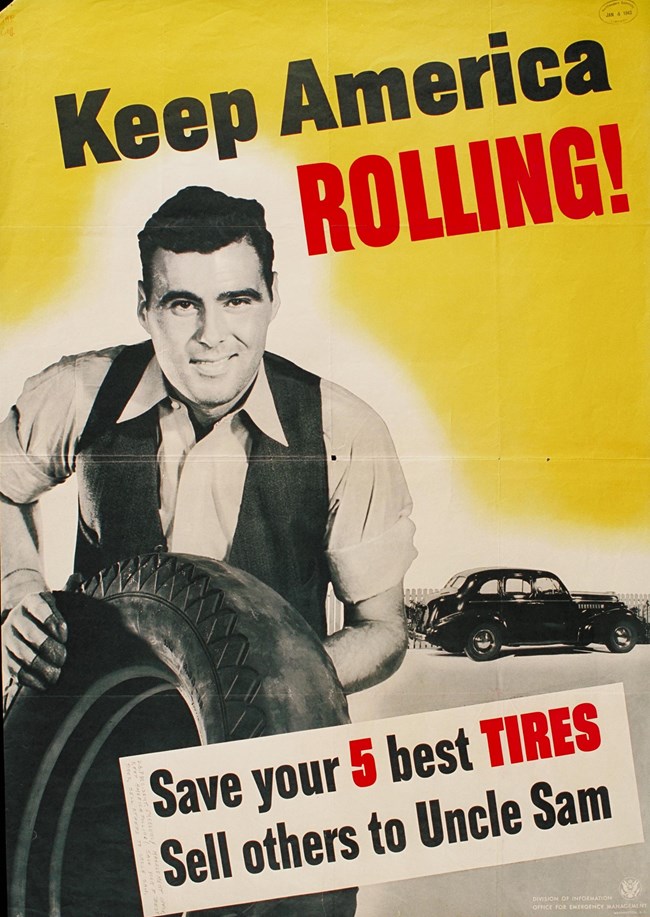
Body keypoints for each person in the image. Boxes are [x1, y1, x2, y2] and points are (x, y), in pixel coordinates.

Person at [1, 185, 416, 701]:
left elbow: (382, 630)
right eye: (182, 304)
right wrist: (19, 588)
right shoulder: (81, 391)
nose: (211, 335)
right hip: (99, 723)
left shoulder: (345, 430)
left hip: (266, 742)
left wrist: (275, 681)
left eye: (236, 301)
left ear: (273, 298)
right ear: (144, 307)